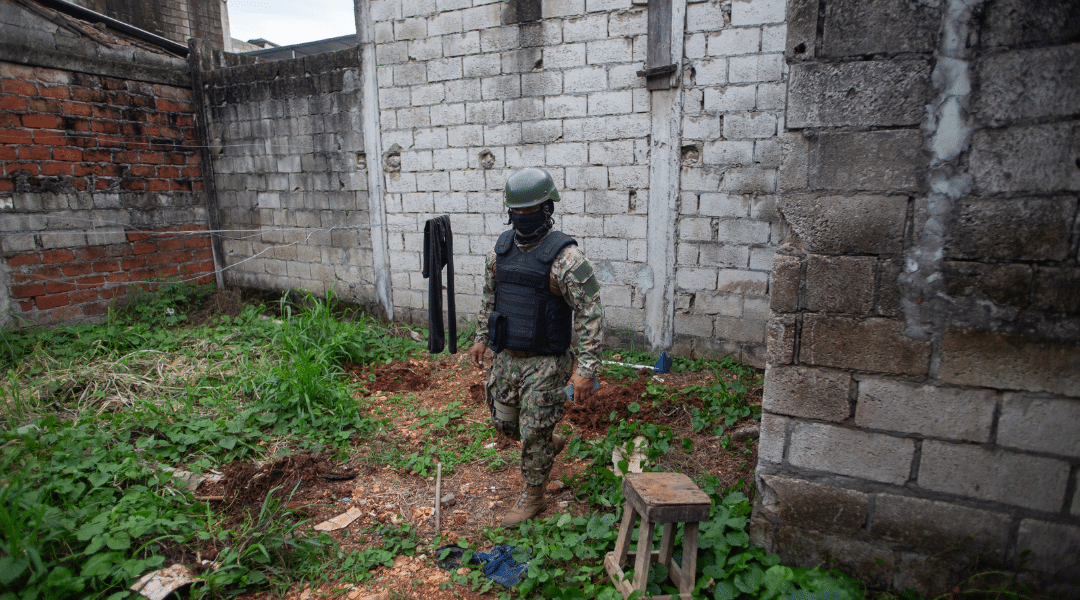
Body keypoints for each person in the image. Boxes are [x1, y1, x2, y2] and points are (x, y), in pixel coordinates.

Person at [468, 167, 604, 527]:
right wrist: (482, 337)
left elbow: (591, 315)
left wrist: (585, 370)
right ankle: (546, 440)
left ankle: (534, 495)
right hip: (507, 357)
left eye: (533, 212)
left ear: (548, 210)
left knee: (532, 433)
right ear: (510, 212)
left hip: (546, 362)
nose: (525, 219)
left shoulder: (567, 260)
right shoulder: (499, 253)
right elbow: (489, 299)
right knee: (505, 424)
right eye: (518, 212)